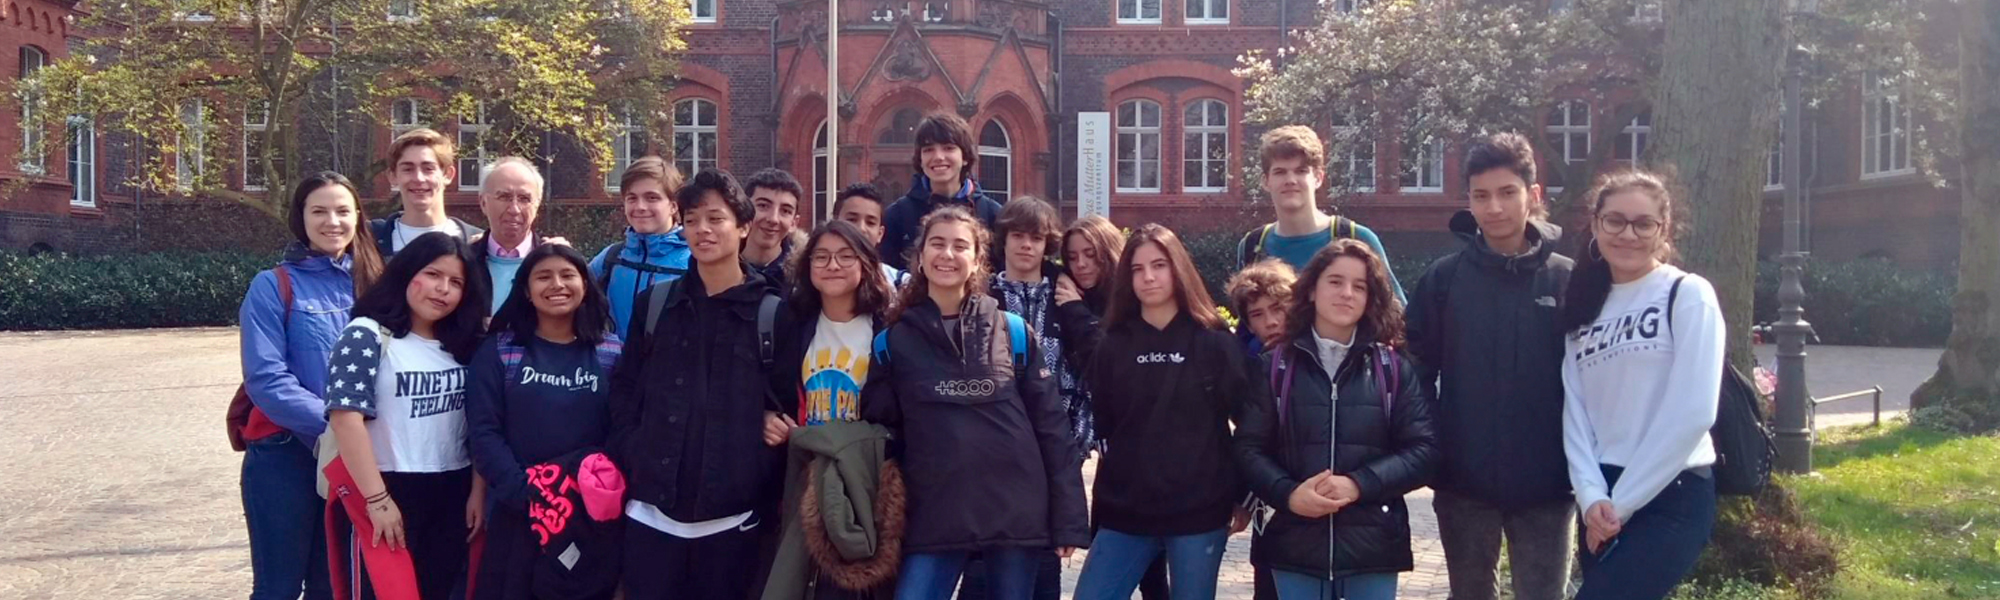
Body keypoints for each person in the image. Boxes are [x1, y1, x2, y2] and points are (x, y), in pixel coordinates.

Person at [860, 206, 1089, 600]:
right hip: (933, 512)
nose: (947, 254)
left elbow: (1051, 429)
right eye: (937, 244)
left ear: (978, 259)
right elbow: (883, 434)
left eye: (959, 246)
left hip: (1014, 512)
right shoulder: (892, 342)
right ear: (919, 257)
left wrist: (1068, 518)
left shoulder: (1014, 333)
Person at [1403, 132, 1576, 600]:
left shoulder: (1567, 279)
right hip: (1464, 481)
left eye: (1506, 193)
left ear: (1533, 196)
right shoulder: (1445, 279)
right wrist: (1435, 445)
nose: (1494, 208)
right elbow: (1413, 370)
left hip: (1549, 483)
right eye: (1481, 196)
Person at [608, 168, 793, 600]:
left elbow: (785, 406)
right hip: (652, 513)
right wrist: (632, 450)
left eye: (715, 218)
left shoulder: (773, 314)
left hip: (733, 521)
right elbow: (625, 388)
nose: (702, 231)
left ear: (743, 226)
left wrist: (756, 466)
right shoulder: (654, 304)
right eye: (691, 220)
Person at [1236, 239, 1438, 600]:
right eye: (1335, 281)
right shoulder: (1274, 367)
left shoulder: (1392, 368)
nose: (1347, 293)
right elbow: (1248, 449)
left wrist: (1359, 484)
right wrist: (1289, 494)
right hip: (1294, 546)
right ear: (1311, 289)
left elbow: (1423, 451)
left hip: (1373, 548)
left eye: (1359, 286)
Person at [1557, 170, 1722, 600]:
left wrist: (1622, 504)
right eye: (1615, 220)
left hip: (1673, 491)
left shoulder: (1688, 294)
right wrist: (1592, 497)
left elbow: (1694, 411)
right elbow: (1575, 414)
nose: (1627, 234)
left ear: (1662, 230)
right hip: (1602, 493)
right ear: (1595, 225)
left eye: (1643, 223)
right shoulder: (1584, 305)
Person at [1071, 224, 1257, 600]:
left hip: (1199, 514)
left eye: (1159, 265)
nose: (1149, 277)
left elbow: (1251, 424)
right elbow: (1105, 425)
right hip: (1125, 514)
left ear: (1179, 269)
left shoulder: (1214, 343)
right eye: (1137, 269)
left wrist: (1244, 495)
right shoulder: (1112, 345)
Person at [238, 171, 385, 600]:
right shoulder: (273, 285)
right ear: (300, 218)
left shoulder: (378, 285)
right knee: (278, 588)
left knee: (334, 584)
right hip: (287, 455)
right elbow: (266, 377)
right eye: (318, 211)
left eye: (343, 211)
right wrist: (335, 427)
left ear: (358, 216)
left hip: (357, 457)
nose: (332, 222)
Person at [323, 231, 491, 600]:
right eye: (433, 274)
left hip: (452, 488)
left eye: (456, 282)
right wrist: (377, 501)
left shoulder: (463, 345)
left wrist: (477, 491)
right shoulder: (366, 335)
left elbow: (480, 423)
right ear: (407, 273)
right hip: (384, 487)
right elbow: (346, 418)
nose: (442, 289)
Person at [467, 243, 625, 600]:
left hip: (589, 518)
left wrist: (586, 496)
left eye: (568, 275)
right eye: (543, 276)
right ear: (526, 289)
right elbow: (483, 430)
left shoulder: (612, 353)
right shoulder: (500, 352)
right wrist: (528, 494)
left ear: (586, 285)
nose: (557, 284)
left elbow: (623, 430)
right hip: (517, 509)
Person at [961, 197, 1101, 600]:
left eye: (1036, 238)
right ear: (1002, 239)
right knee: (984, 568)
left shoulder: (1069, 294)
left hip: (1055, 448)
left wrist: (1080, 438)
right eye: (1018, 236)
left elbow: (1087, 373)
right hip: (993, 452)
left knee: (1043, 567)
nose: (1026, 245)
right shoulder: (979, 294)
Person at [758, 220, 902, 600]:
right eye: (820, 256)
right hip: (805, 473)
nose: (832, 265)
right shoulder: (792, 323)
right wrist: (768, 416)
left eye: (844, 256)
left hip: (865, 479)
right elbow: (768, 388)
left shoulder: (890, 329)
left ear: (866, 264)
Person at [1235, 126, 1403, 303]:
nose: (1290, 180)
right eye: (1280, 172)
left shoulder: (1356, 238)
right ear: (1266, 181)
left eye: (1301, 171)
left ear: (1318, 178)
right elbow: (1247, 319)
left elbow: (1396, 314)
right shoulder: (1252, 246)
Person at [877, 113, 1003, 272]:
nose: (938, 157)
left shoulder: (993, 215)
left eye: (948, 148)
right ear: (920, 159)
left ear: (965, 157)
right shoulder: (897, 215)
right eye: (928, 150)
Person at [591, 156, 690, 340]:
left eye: (652, 198)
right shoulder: (610, 259)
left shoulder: (694, 262)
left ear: (674, 206)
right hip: (616, 367)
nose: (640, 207)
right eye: (632, 198)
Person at [369, 128, 484, 257]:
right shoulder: (370, 242)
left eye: (428, 169)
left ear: (448, 175)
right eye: (408, 169)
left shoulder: (477, 244)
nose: (418, 178)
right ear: (392, 176)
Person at [469, 157, 552, 312]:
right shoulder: (463, 261)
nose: (514, 209)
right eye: (504, 197)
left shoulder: (555, 262)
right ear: (483, 202)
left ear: (537, 204)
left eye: (524, 199)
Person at [832, 182, 909, 289]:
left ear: (880, 233)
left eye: (870, 223)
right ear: (834, 224)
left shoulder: (902, 285)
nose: (861, 229)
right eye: (852, 220)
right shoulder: (818, 277)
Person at [743, 168, 806, 288]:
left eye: (785, 211)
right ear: (744, 210)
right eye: (763, 206)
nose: (773, 219)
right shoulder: (715, 267)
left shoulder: (805, 278)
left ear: (794, 223)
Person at [1061, 216, 1126, 319]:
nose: (1080, 264)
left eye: (1090, 254)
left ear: (1109, 253)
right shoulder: (1065, 291)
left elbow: (1102, 335)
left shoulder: (1127, 297)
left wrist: (1075, 307)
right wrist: (1060, 276)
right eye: (1072, 257)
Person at [1225, 259, 1298, 350]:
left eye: (1278, 309)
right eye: (1257, 315)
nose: (1270, 322)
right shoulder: (1244, 361)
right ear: (1249, 326)